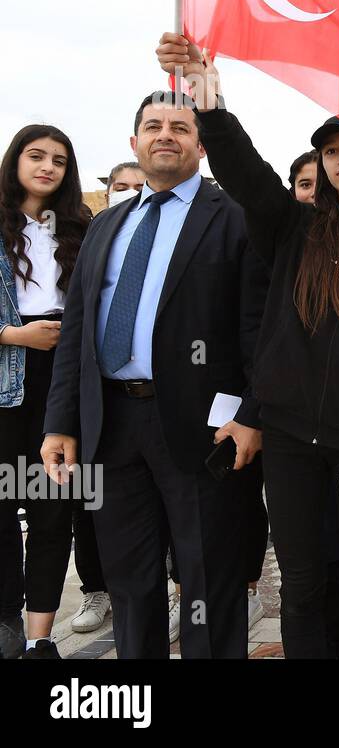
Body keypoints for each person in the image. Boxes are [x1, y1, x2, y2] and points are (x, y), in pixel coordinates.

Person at [154, 32, 339, 659]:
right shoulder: (297, 230)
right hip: (290, 441)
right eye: (332, 151)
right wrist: (209, 99)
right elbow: (245, 171)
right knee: (303, 588)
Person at [41, 89, 268, 659]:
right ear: (134, 142)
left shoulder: (235, 219)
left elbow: (260, 331)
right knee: (130, 581)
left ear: (201, 144)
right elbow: (77, 333)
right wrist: (59, 423)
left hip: (201, 428)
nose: (166, 134)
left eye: (180, 127)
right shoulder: (105, 225)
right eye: (153, 125)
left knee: (207, 579)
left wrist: (251, 415)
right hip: (110, 425)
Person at [0, 126, 91, 658]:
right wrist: (14, 335)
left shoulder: (82, 227)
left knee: (53, 508)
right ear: (16, 161)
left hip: (65, 376)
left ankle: (40, 638)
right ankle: (7, 621)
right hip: (9, 377)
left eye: (59, 159)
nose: (47, 167)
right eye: (36, 156)